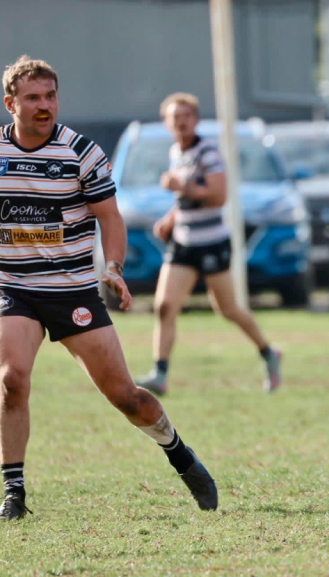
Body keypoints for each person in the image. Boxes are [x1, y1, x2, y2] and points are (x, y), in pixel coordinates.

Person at [0, 56, 217, 520]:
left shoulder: (82, 152)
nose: (45, 106)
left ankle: (180, 454)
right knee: (11, 381)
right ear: (10, 104)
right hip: (14, 287)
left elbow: (109, 219)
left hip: (73, 289)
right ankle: (14, 493)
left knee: (125, 396)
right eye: (33, 98)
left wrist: (113, 266)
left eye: (51, 96)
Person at [135, 93, 281, 395]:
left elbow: (219, 195)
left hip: (212, 243)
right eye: (175, 117)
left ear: (196, 120)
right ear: (166, 124)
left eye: (186, 116)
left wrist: (181, 186)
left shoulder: (208, 151)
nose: (181, 122)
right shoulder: (176, 152)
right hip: (184, 243)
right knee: (164, 306)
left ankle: (268, 352)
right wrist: (171, 217)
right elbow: (189, 200)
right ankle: (159, 374)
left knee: (227, 310)